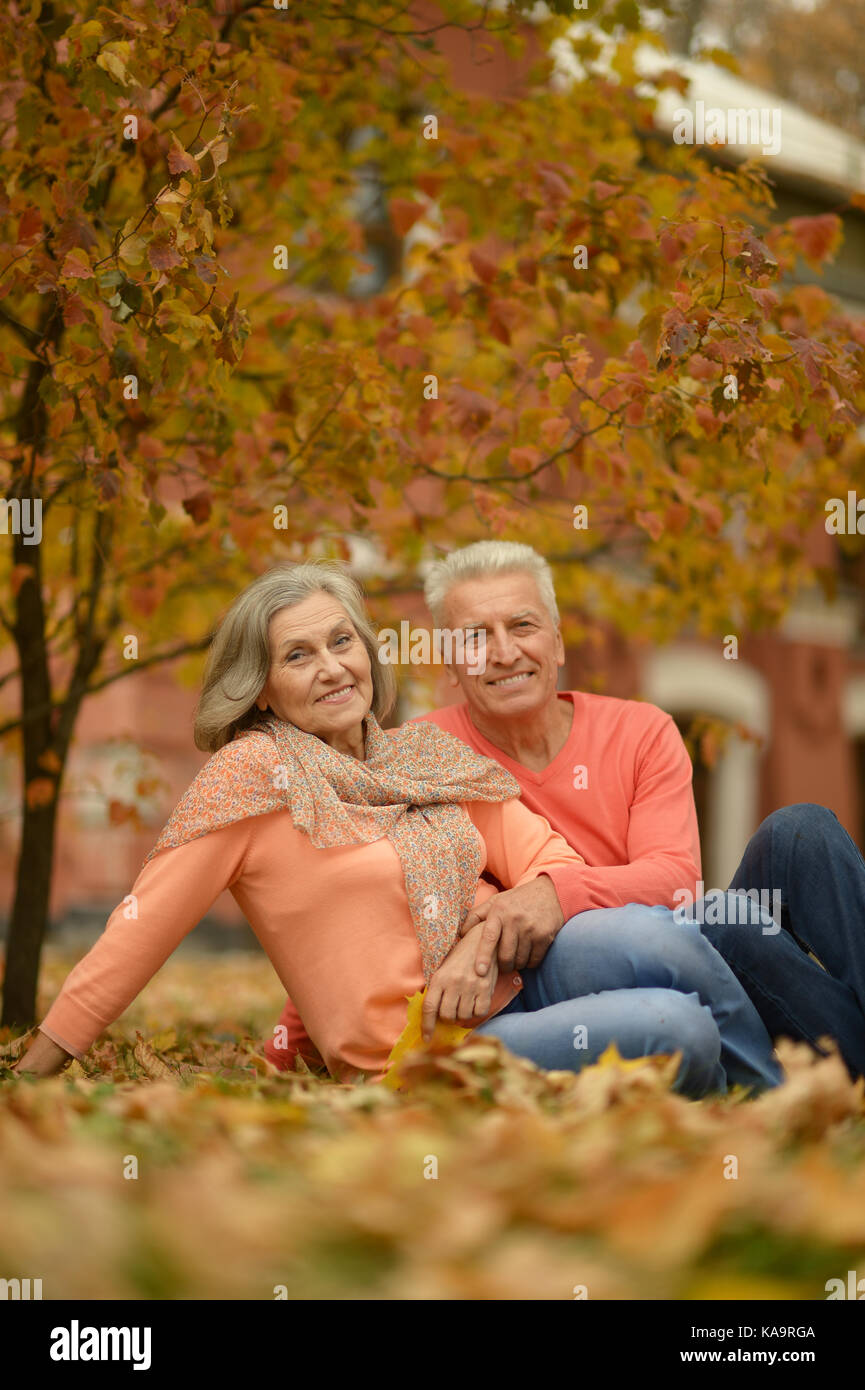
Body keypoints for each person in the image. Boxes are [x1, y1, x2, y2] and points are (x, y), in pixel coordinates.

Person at [14, 560, 780, 1097]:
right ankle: (739, 1101)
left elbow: (549, 863)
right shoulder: (251, 777)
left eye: (341, 642)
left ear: (369, 653)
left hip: (516, 979)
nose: (331, 668)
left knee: (662, 937)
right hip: (423, 1047)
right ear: (264, 689)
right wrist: (33, 1070)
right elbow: (136, 929)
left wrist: (479, 943)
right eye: (298, 655)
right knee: (674, 1027)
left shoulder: (419, 757)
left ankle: (777, 1099)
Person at [270, 540, 865, 1083]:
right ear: (449, 664)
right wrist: (298, 1037)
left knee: (800, 832)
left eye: (522, 626)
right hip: (559, 993)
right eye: (476, 637)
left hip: (687, 952)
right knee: (736, 921)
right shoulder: (422, 755)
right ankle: (796, 1083)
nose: (504, 653)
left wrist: (553, 893)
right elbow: (360, 896)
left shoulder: (640, 729)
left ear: (555, 643)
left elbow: (674, 882)